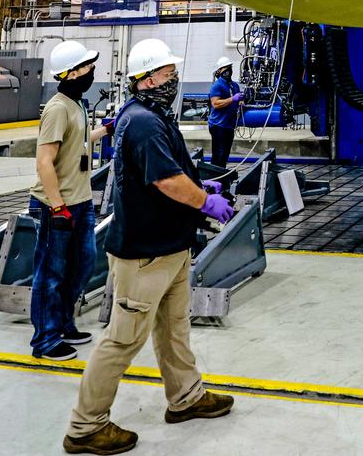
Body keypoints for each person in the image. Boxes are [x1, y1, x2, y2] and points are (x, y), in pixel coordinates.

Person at [64, 38, 235, 455]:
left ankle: (186, 397)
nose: (173, 79)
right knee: (123, 339)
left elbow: (170, 170)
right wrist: (205, 201)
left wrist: (200, 184)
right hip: (145, 252)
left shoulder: (151, 115)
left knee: (174, 329)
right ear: (146, 79)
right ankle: (86, 426)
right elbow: (164, 180)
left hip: (170, 245)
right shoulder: (141, 121)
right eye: (167, 73)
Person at [30, 41, 108, 362]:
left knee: (82, 265)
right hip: (57, 206)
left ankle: (63, 323)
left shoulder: (77, 104)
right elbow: (44, 160)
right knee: (51, 273)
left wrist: (107, 129)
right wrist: (57, 205)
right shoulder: (58, 107)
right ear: (72, 73)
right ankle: (45, 340)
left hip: (82, 201)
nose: (92, 72)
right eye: (88, 67)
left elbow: (77, 141)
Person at [207, 56, 243, 168]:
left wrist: (241, 102)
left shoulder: (234, 85)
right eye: (225, 68)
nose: (228, 70)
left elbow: (237, 100)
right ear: (219, 71)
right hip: (218, 125)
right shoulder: (217, 85)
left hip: (229, 125)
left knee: (225, 154)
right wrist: (233, 99)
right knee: (218, 154)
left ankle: (221, 177)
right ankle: (214, 178)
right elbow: (215, 103)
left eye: (230, 67)